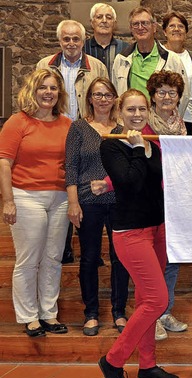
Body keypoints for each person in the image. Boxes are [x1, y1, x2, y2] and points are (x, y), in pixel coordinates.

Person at [98, 89, 179, 378]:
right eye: (130, 109)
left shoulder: (151, 143)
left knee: (147, 299)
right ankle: (113, 360)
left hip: (157, 229)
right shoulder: (112, 147)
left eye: (141, 109)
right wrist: (135, 148)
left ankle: (148, 365)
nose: (136, 115)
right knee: (158, 299)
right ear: (120, 112)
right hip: (130, 232)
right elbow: (130, 183)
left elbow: (159, 178)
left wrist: (143, 148)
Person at [0, 68, 71, 338]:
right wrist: (8, 201)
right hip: (26, 195)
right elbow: (4, 163)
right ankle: (29, 316)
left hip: (61, 198)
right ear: (33, 90)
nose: (48, 93)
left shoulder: (66, 124)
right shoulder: (18, 122)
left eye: (53, 88)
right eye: (43, 87)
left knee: (53, 258)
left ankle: (48, 314)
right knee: (29, 259)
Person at [37, 19, 109, 265]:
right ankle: (64, 246)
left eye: (75, 38)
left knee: (86, 186)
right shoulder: (44, 65)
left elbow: (105, 97)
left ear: (83, 40)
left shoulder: (97, 66)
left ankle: (91, 246)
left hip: (86, 132)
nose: (71, 43)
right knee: (63, 182)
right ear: (59, 41)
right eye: (66, 39)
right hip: (54, 131)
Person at [65, 77, 129, 337]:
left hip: (118, 202)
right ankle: (91, 313)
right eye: (97, 94)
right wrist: (72, 202)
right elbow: (70, 166)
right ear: (89, 99)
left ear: (115, 98)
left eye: (108, 95)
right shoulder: (79, 128)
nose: (103, 99)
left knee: (120, 259)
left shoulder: (123, 129)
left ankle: (119, 311)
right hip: (87, 202)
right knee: (90, 258)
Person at [142, 70, 189, 341]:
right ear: (153, 96)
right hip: (149, 199)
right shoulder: (143, 124)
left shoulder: (180, 126)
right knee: (152, 262)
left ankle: (164, 311)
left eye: (172, 93)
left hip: (174, 199)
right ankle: (150, 316)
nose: (167, 97)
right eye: (161, 92)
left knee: (171, 259)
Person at [112, 6, 190, 116]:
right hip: (131, 121)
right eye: (136, 24)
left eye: (145, 23)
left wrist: (170, 120)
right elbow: (116, 97)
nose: (140, 27)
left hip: (161, 122)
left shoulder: (172, 60)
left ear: (154, 27)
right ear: (131, 29)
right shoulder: (121, 59)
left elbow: (184, 95)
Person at [162, 11, 192, 135]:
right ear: (164, 31)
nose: (176, 29)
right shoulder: (159, 54)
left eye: (181, 26)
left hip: (188, 117)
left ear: (186, 32)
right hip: (163, 117)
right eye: (172, 26)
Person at [83, 3, 127, 74]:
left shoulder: (125, 48)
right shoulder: (83, 49)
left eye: (109, 17)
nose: (104, 21)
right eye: (99, 17)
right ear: (92, 23)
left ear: (114, 23)